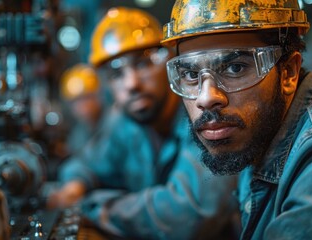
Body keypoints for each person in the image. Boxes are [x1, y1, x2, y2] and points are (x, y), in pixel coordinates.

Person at [47, 7, 239, 240]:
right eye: (116, 74)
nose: (132, 84)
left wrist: (90, 207)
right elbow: (85, 163)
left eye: (143, 64)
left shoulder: (205, 118)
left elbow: (188, 214)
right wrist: (76, 184)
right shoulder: (126, 123)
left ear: (170, 63)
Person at [161, 0, 312, 239]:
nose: (205, 98)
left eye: (235, 68)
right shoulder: (255, 136)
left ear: (288, 72)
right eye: (191, 74)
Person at [59, 63, 105, 156]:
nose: (81, 106)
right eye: (75, 102)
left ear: (97, 96)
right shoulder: (76, 137)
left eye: (85, 98)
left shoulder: (114, 124)